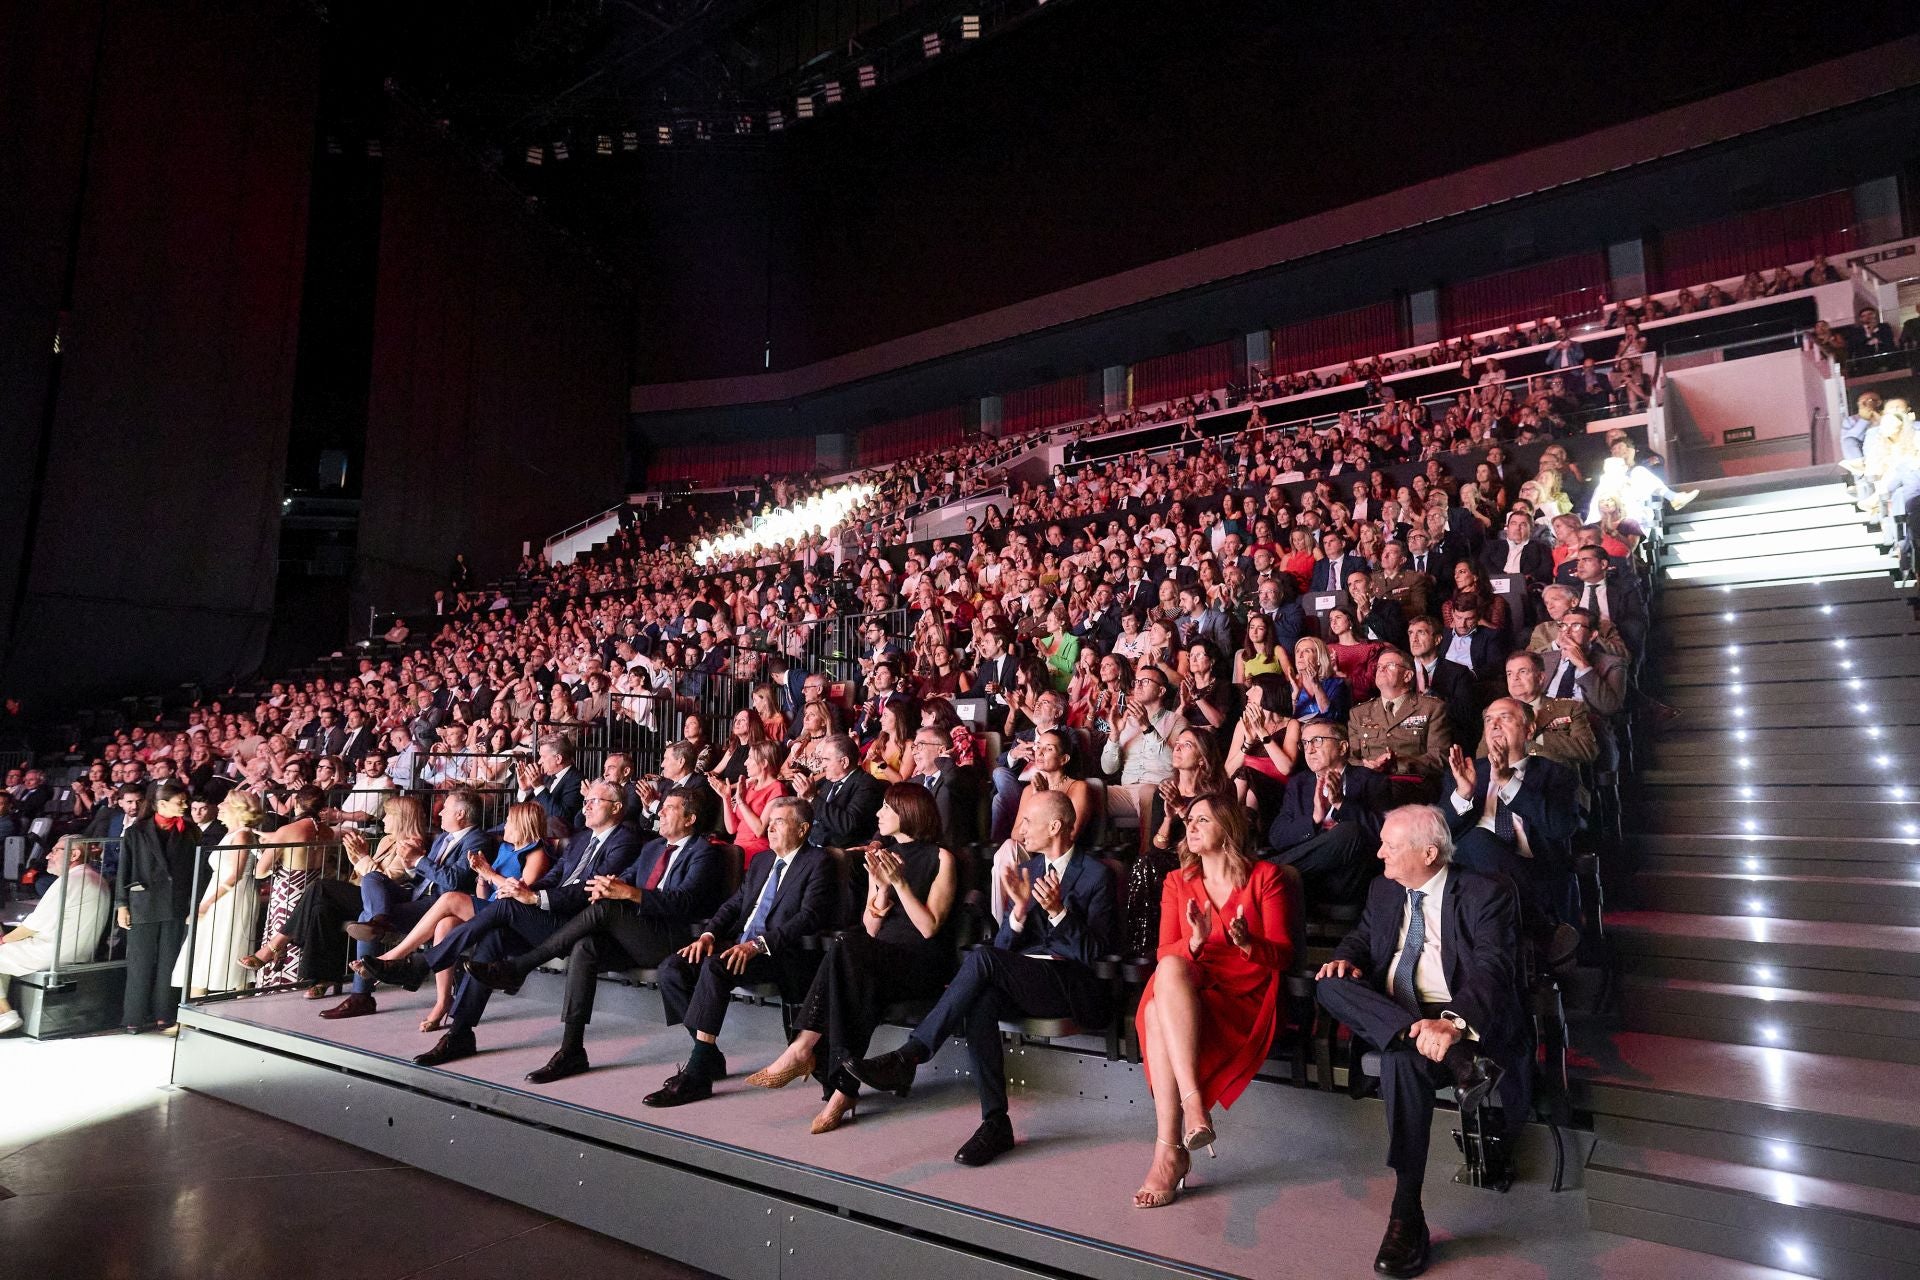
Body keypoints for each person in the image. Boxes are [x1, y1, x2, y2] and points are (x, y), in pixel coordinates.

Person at [845, 790, 1115, 1167]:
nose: (1019, 830)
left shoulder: (1098, 874)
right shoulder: (1033, 869)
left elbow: (1095, 956)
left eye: (1028, 822)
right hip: (1027, 977)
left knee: (982, 959)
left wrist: (1057, 913)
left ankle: (911, 1055)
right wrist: (1019, 913)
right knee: (980, 997)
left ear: (1055, 827)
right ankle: (995, 1122)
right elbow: (1004, 945)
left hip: (1072, 985)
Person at [1314, 805, 1527, 1279]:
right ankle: (1459, 1060)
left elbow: (1494, 970)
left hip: (1455, 1014)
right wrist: (1345, 959)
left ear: (1429, 853)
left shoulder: (1483, 892)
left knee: (1399, 1062)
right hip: (1401, 1014)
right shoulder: (1384, 889)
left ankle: (1405, 1213)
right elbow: (1362, 938)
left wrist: (1450, 1024)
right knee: (1328, 984)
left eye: (1390, 845)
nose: (1379, 852)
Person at [447, 791, 725, 1072]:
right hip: (629, 937)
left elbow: (685, 902)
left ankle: (520, 966)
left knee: (604, 909)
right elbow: (626, 877)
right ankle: (571, 1050)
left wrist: (632, 894)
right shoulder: (652, 848)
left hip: (667, 939)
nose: (661, 812)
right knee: (586, 945)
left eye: (670, 808)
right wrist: (608, 884)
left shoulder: (704, 851)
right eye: (661, 807)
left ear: (690, 819)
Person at [735, 785, 957, 1132]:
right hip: (878, 956)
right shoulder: (881, 854)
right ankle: (843, 1089)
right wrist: (881, 888)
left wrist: (899, 884)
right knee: (853, 967)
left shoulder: (942, 857)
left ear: (908, 811)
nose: (878, 814)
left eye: (885, 808)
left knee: (849, 953)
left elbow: (929, 928)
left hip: (920, 963)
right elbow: (871, 928)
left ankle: (804, 1048)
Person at [606, 797, 843, 1095]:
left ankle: (697, 1076)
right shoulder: (762, 861)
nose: (769, 828)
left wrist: (757, 945)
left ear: (803, 829)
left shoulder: (817, 861)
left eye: (779, 822)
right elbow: (733, 905)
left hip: (779, 953)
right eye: (769, 822)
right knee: (672, 969)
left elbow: (809, 918)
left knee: (715, 967)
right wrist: (708, 935)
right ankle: (708, 1057)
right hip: (738, 943)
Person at [1131, 795, 1294, 1207]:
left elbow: (1282, 955)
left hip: (1244, 992)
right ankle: (1194, 1108)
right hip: (1192, 983)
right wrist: (1196, 941)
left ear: (1229, 828)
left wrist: (1247, 943)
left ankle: (1169, 1152)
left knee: (1154, 1012)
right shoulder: (1177, 881)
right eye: (1190, 820)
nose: (1192, 825)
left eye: (1203, 819)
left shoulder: (1266, 877)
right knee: (1167, 971)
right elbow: (1166, 952)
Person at [350, 801, 554, 1032]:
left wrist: (489, 874)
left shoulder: (537, 853)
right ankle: (442, 1001)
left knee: (450, 899)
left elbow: (521, 893)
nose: (504, 825)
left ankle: (393, 957)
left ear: (522, 824)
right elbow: (485, 893)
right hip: (489, 907)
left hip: (512, 914)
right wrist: (481, 878)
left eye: (509, 821)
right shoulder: (507, 849)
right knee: (444, 925)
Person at [318, 791, 488, 1020]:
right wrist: (410, 864)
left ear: (460, 813)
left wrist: (418, 859)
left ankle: (361, 995)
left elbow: (454, 880)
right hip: (416, 894)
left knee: (363, 914)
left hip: (439, 904)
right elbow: (419, 878)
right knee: (371, 879)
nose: (439, 811)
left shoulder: (477, 840)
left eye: (445, 808)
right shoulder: (443, 838)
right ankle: (380, 921)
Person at [1446, 700, 1581, 933]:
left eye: (1505, 718)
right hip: (1468, 876)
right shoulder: (1464, 773)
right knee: (1475, 841)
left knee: (1477, 839)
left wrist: (1509, 782)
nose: (1495, 725)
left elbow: (1561, 828)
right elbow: (1440, 836)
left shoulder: (1556, 774)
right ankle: (1546, 934)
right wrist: (1463, 794)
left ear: (1529, 730)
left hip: (1530, 873)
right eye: (1489, 720)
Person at [1266, 723, 1394, 909]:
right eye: (1305, 743)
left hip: (1345, 879)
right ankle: (1269, 873)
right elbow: (1277, 837)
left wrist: (1342, 803)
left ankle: (1265, 872)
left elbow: (1383, 835)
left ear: (1342, 747)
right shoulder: (1299, 784)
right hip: (1305, 880)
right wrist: (1314, 819)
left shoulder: (1372, 781)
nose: (1309, 750)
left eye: (1317, 741)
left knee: (1350, 831)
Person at [0, 837, 112, 1035]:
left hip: (54, 952)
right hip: (76, 949)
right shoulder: (94, 877)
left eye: (55, 850)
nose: (47, 856)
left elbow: (32, 927)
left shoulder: (72, 881)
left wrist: (4, 940)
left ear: (74, 854)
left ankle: (6, 1014)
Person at [115, 781, 200, 1033]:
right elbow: (124, 870)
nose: (186, 806)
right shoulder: (136, 831)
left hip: (177, 903)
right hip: (143, 902)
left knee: (169, 963)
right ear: (161, 804)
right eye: (180, 802)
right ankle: (133, 1017)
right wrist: (122, 905)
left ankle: (165, 1014)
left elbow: (198, 870)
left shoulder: (191, 831)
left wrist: (194, 905)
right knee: (139, 962)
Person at [172, 789, 264, 998]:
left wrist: (206, 905)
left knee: (225, 946)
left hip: (230, 898)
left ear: (236, 809)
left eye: (225, 803)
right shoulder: (232, 834)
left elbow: (235, 875)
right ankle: (193, 1010)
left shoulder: (242, 834)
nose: (220, 806)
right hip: (219, 894)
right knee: (204, 949)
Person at [1347, 648, 1453, 791]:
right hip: (1369, 783)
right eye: (1379, 666)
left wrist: (1398, 764)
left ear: (1407, 675)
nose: (1382, 669)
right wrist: (1367, 766)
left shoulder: (1431, 708)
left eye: (1390, 665)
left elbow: (1440, 758)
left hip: (1413, 786)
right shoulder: (1358, 713)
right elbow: (1350, 759)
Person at [792, 734, 885, 849]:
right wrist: (803, 799)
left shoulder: (866, 784)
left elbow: (848, 824)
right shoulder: (830, 780)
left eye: (826, 759)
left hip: (839, 850)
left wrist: (812, 798)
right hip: (812, 842)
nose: (822, 765)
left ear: (844, 762)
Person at [711, 740, 789, 858]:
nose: (745, 763)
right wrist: (726, 798)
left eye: (750, 758)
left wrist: (741, 802)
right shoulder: (750, 786)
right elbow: (731, 829)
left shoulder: (777, 789)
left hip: (757, 852)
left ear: (764, 763)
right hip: (737, 848)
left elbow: (759, 831)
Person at [515, 735, 584, 832]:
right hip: (521, 827)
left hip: (542, 835)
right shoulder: (546, 776)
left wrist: (538, 787)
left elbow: (561, 817)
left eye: (543, 756)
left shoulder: (576, 780)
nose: (539, 761)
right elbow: (519, 811)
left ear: (558, 759)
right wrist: (524, 789)